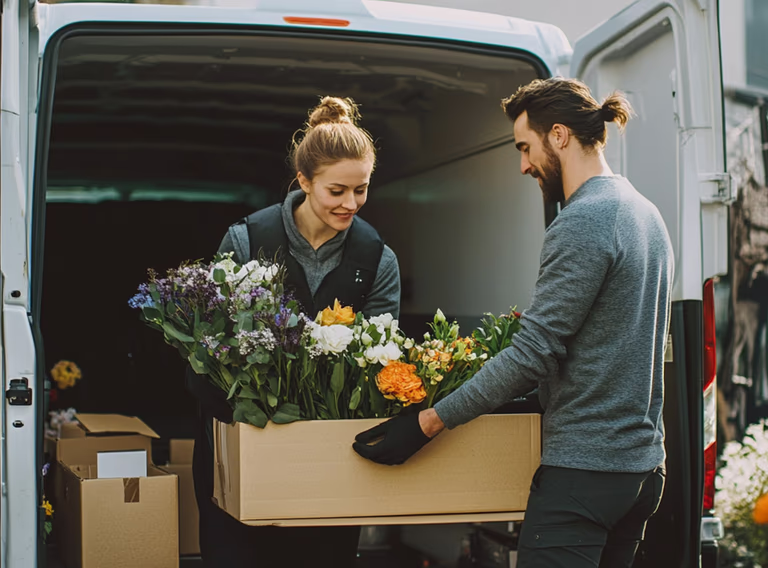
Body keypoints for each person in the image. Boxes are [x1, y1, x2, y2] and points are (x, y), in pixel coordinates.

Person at [353, 77, 673, 568]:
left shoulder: (585, 219)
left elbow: (532, 353)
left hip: (584, 474)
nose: (523, 165)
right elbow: (612, 343)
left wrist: (425, 423)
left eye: (525, 147)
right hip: (642, 471)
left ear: (560, 135)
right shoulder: (646, 213)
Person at [187, 96, 401, 568]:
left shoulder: (378, 259)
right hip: (245, 440)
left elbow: (380, 356)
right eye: (337, 191)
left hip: (329, 456)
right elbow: (214, 345)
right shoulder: (246, 239)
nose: (351, 204)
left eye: (361, 190)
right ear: (304, 181)